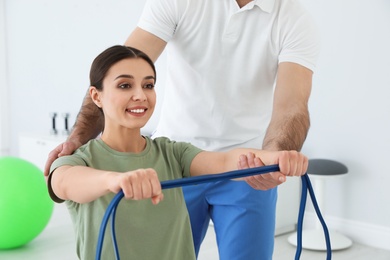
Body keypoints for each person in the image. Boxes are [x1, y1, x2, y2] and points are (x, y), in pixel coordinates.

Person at [45, 0, 320, 259]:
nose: (139, 94)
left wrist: (275, 159)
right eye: (128, 86)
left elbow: (291, 106)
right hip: (176, 167)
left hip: (245, 166)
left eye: (149, 85)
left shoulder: (294, 19)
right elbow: (118, 70)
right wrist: (79, 142)